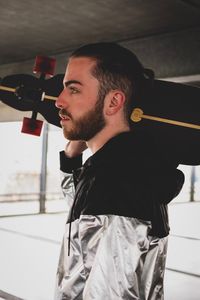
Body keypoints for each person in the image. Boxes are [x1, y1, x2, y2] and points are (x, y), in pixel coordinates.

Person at [54, 42, 184, 300]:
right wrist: (71, 157)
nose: (58, 101)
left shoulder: (116, 185)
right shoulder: (117, 170)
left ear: (113, 101)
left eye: (73, 90)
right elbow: (85, 226)